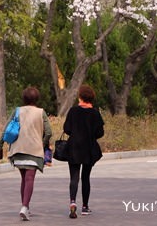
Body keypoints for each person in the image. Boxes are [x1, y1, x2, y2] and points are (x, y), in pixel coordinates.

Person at [0, 86, 52, 222]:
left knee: (24, 179)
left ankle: (25, 207)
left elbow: (6, 129)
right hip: (34, 150)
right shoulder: (41, 112)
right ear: (37, 98)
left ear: (24, 98)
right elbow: (49, 132)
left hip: (17, 150)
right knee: (29, 179)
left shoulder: (17, 111)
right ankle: (25, 207)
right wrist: (43, 143)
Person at [63, 84, 104, 218]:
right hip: (89, 149)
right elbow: (100, 133)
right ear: (91, 98)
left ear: (80, 97)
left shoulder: (73, 111)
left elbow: (67, 129)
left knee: (74, 177)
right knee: (86, 177)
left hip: (74, 148)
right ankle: (85, 207)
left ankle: (72, 202)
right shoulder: (95, 113)